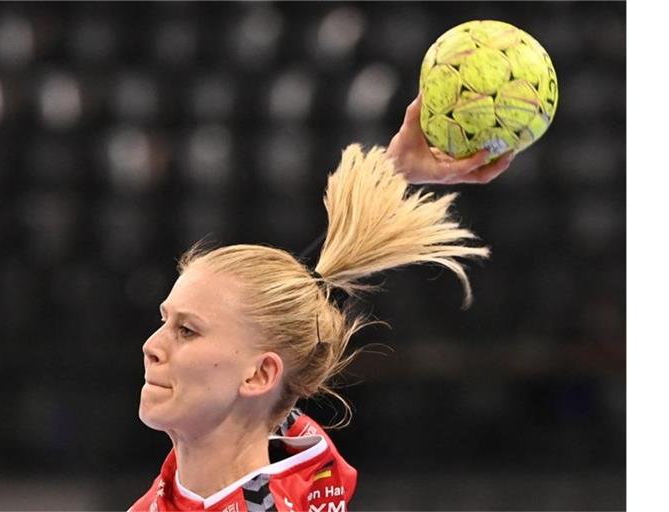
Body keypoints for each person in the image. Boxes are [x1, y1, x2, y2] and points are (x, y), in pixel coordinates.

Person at [128, 94, 516, 512]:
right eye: (165, 321)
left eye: (187, 330)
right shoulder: (300, 466)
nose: (151, 345)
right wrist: (394, 174)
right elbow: (304, 290)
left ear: (260, 375)